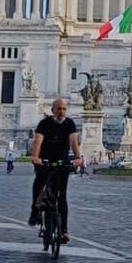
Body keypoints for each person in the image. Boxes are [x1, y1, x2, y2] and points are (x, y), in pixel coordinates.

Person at [28, 98, 82, 244]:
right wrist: (36, 157)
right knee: (39, 184)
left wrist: (77, 157)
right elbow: (38, 142)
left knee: (62, 197)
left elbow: (73, 142)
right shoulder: (44, 124)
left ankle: (64, 231)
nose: (61, 112)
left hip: (61, 162)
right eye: (58, 109)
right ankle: (34, 209)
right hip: (45, 160)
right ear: (52, 111)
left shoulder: (69, 123)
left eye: (64, 109)